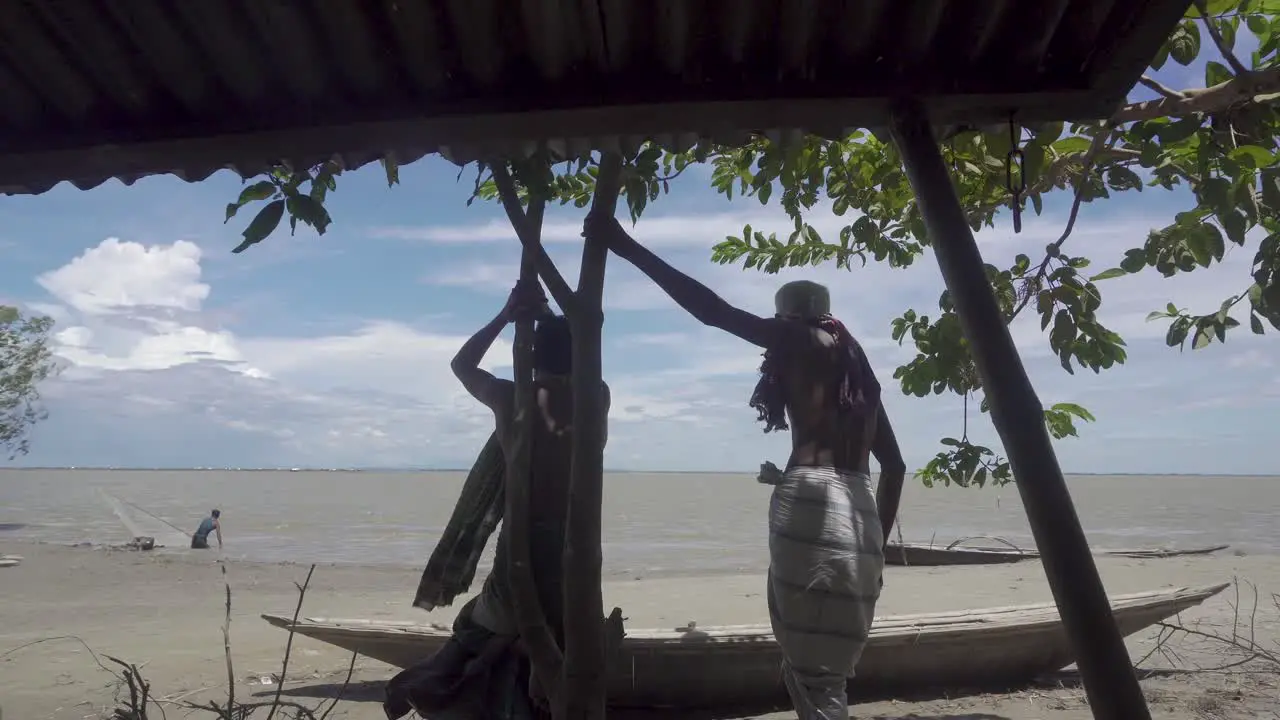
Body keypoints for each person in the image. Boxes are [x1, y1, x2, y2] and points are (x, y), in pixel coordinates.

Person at [587, 214, 906, 720]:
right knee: (829, 668)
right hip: (861, 512)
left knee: (809, 669)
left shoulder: (796, 339)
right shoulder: (861, 379)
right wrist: (878, 550)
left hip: (810, 505)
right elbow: (896, 466)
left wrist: (627, 247)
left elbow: (712, 311)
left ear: (787, 318)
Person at [383, 282, 611, 720]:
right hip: (578, 551)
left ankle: (427, 686)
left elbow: (461, 363)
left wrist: (509, 316)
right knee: (548, 635)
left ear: (531, 356)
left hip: (523, 550)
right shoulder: (595, 398)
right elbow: (574, 344)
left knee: (483, 626)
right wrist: (544, 317)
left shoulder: (511, 398)